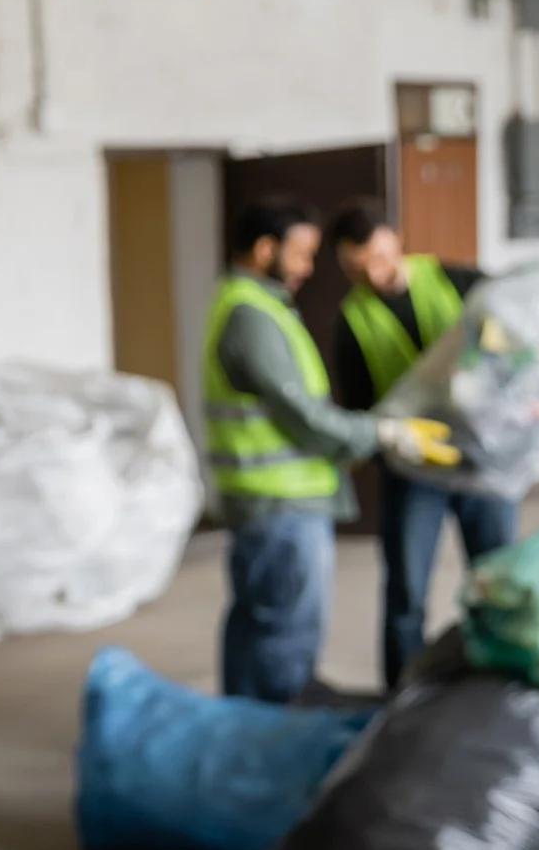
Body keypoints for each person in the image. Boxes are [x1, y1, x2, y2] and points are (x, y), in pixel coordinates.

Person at [202, 198, 455, 703]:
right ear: (263, 249)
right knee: (285, 638)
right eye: (300, 254)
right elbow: (305, 418)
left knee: (256, 626)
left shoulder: (254, 305)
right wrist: (381, 434)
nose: (308, 268)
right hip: (281, 504)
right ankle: (274, 744)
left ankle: (243, 733)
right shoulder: (252, 316)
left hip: (272, 501)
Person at [327, 202, 514, 687]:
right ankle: (401, 696)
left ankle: (500, 685)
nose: (374, 272)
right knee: (406, 591)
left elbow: (517, 321)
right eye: (358, 266)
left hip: (479, 461)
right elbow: (361, 409)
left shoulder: (457, 281)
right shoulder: (352, 321)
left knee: (496, 582)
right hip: (414, 470)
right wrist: (392, 443)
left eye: (382, 257)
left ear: (399, 239)